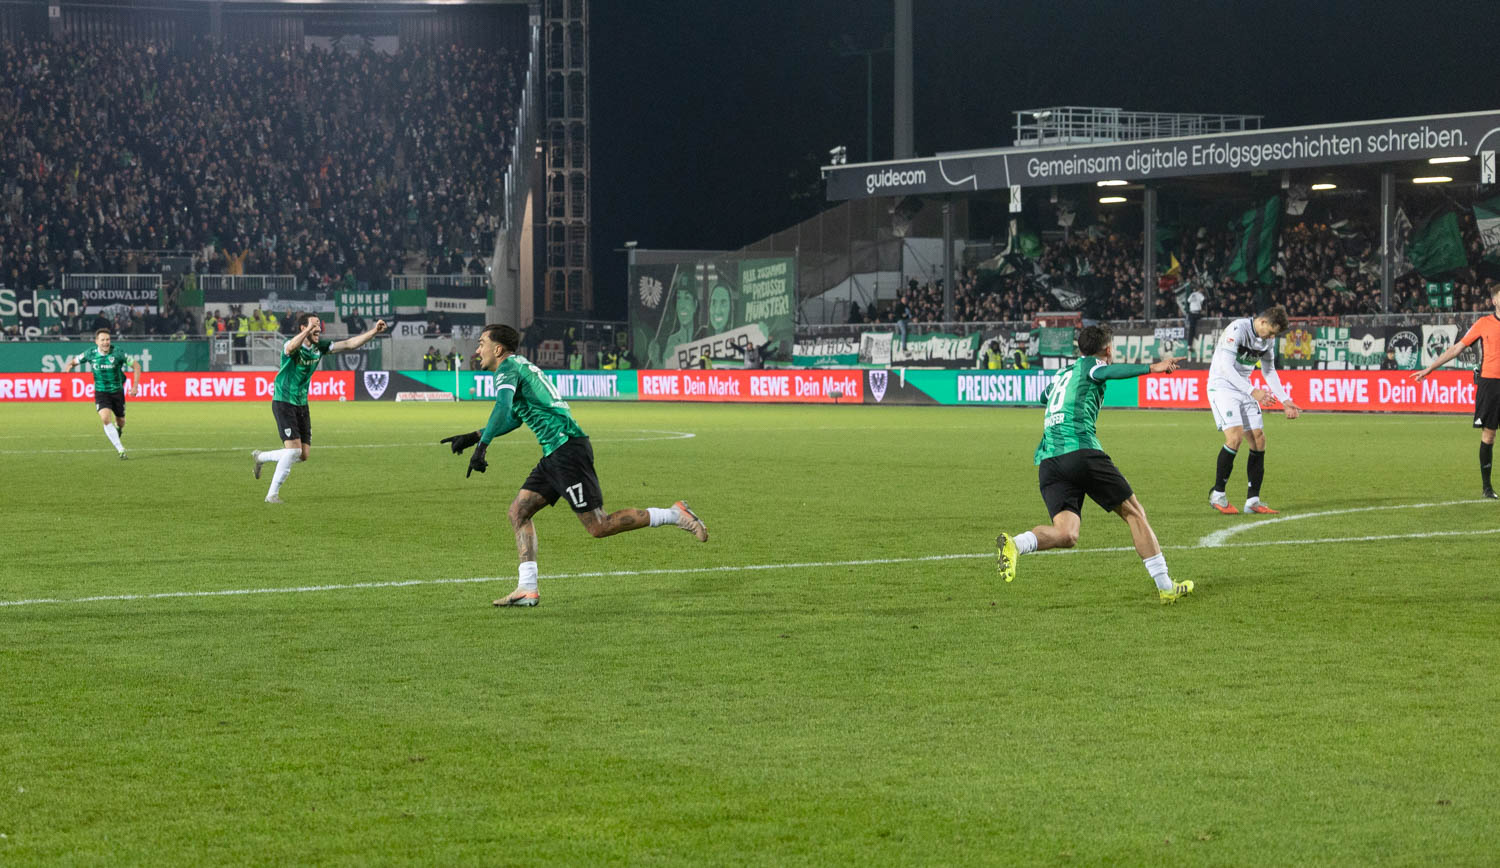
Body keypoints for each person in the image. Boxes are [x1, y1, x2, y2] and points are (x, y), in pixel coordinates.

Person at [440, 323, 708, 608]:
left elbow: (503, 407)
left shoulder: (508, 369)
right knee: (519, 511)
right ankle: (527, 588)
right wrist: (475, 436)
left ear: (498, 349)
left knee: (599, 525)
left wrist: (483, 447)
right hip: (554, 453)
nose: (477, 349)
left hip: (567, 451)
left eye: (481, 343)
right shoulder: (519, 366)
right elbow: (514, 417)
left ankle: (675, 514)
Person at [995, 325, 1193, 603]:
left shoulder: (1063, 374)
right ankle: (1165, 586)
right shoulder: (1093, 366)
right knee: (1135, 513)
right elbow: (1106, 372)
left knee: (1067, 534)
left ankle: (1016, 544)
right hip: (1080, 452)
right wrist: (1154, 368)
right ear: (1108, 349)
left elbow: (1043, 396)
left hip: (1049, 461)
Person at [251, 313, 387, 503]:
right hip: (284, 401)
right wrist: (308, 329)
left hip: (301, 404)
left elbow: (349, 344)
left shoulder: (319, 347)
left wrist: (374, 332)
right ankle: (271, 495)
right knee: (292, 452)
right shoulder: (292, 347)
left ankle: (261, 457)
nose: (319, 329)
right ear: (303, 328)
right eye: (315, 325)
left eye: (319, 326)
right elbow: (290, 347)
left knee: (303, 454)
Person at [1206, 305, 1301, 514]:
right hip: (1222, 386)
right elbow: (1225, 368)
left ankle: (1253, 501)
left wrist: (1285, 399)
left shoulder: (1269, 339)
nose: (1271, 336)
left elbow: (1269, 370)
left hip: (1244, 387)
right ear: (1263, 321)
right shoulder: (1237, 330)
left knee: (1259, 439)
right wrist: (1253, 391)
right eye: (1272, 331)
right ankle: (1218, 495)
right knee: (1235, 437)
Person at [1411, 284, 1500, 498]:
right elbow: (1457, 348)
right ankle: (1487, 488)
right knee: (1489, 436)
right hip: (1490, 384)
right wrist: (1430, 368)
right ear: (1494, 301)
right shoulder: (1483, 324)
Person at [62, 327, 139, 459]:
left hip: (117, 392)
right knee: (105, 418)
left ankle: (119, 429)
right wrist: (68, 367)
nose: (105, 342)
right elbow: (74, 361)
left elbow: (136, 365)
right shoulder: (90, 353)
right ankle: (120, 449)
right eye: (102, 340)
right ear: (96, 341)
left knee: (121, 421)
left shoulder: (118, 353)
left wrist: (135, 386)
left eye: (107, 339)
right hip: (101, 392)